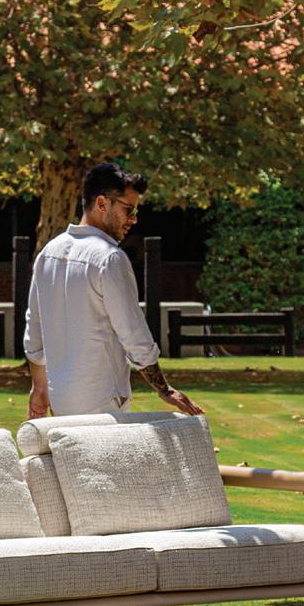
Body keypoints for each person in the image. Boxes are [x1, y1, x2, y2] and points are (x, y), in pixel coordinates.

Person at [23, 160, 203, 420]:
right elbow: (134, 335)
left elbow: (34, 331)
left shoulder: (48, 253)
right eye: (129, 209)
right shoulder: (109, 258)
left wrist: (39, 388)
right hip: (103, 402)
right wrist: (165, 390)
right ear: (102, 203)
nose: (134, 219)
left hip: (60, 400)